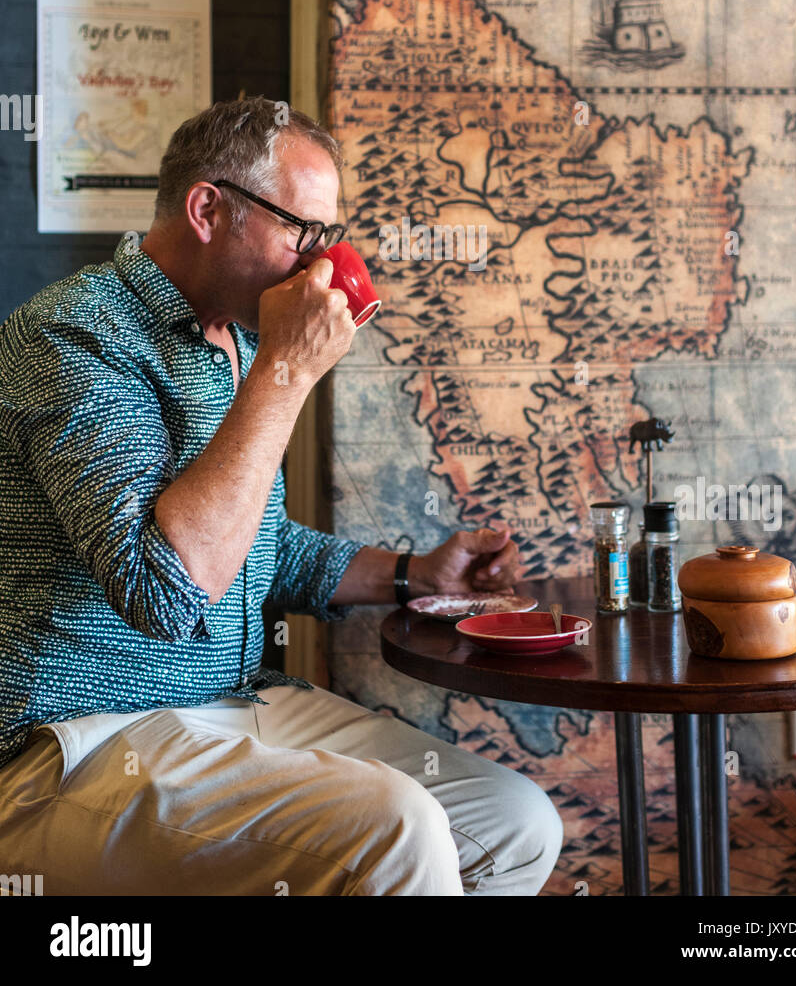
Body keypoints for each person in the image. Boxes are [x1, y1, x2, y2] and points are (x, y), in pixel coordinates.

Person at [0, 96, 563, 896]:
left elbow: (258, 543)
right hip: (77, 740)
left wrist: (415, 575)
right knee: (394, 829)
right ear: (207, 209)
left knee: (516, 820)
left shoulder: (239, 339)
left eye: (327, 236)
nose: (316, 261)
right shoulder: (74, 338)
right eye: (302, 229)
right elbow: (168, 587)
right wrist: (288, 375)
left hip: (231, 701)